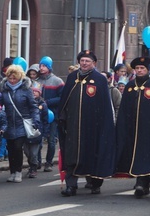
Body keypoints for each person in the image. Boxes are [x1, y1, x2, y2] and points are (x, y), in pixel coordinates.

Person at [57, 50, 116, 196]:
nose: (84, 63)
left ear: (94, 63)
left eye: (87, 61)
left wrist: (105, 125)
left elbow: (105, 105)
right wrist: (62, 118)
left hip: (93, 127)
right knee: (71, 155)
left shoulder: (100, 80)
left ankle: (95, 183)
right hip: (73, 126)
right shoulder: (72, 77)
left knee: (92, 154)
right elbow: (64, 100)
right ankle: (71, 186)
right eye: (82, 60)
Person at [114, 57, 150, 198]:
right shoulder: (129, 86)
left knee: (146, 155)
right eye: (138, 68)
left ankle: (143, 181)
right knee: (134, 154)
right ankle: (141, 180)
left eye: (142, 68)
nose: (140, 71)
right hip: (132, 128)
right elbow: (124, 108)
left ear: (147, 70)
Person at [1, 64, 40, 183]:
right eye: (10, 78)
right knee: (10, 148)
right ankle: (12, 172)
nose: (12, 81)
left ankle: (18, 172)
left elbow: (33, 106)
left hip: (22, 122)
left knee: (18, 147)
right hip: (8, 123)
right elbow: (0, 104)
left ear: (19, 78)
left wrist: (35, 120)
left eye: (14, 78)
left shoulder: (25, 89)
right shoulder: (4, 89)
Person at [36, 56, 64, 172]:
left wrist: (47, 102)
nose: (41, 68)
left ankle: (49, 162)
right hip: (40, 113)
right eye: (40, 66)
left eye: (44, 66)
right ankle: (37, 162)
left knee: (51, 140)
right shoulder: (37, 81)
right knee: (38, 139)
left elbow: (62, 97)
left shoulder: (57, 81)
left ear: (49, 67)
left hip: (53, 114)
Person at [25, 83, 49, 178]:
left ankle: (33, 167)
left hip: (38, 131)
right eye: (32, 91)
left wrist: (46, 132)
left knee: (34, 152)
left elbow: (45, 119)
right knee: (27, 151)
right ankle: (31, 164)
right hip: (27, 130)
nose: (34, 93)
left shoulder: (43, 105)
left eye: (36, 91)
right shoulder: (26, 104)